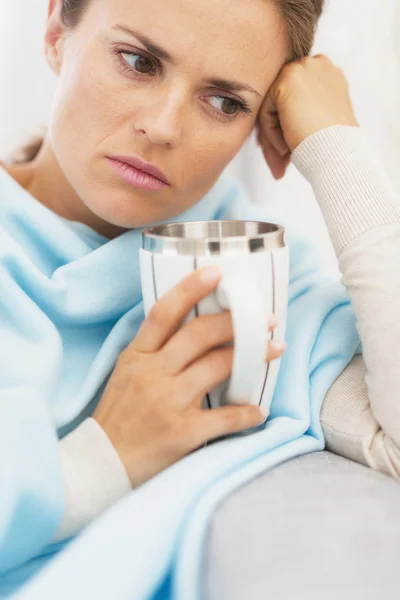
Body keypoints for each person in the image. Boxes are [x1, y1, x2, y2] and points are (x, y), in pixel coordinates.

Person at [1, 0, 400, 595]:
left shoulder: (253, 281)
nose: (163, 127)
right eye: (137, 61)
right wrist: (105, 455)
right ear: (57, 29)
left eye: (225, 102)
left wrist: (336, 150)